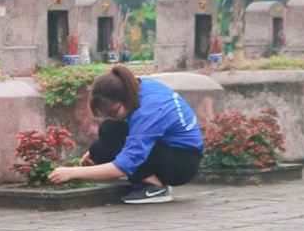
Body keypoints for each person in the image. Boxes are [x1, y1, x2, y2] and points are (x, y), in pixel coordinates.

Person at [47, 65, 204, 204]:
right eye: (104, 113)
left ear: (125, 99)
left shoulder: (150, 110)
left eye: (113, 112)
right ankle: (148, 179)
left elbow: (124, 165)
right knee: (99, 149)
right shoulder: (138, 87)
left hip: (182, 163)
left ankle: (156, 187)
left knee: (110, 129)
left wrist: (72, 173)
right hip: (167, 150)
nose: (110, 116)